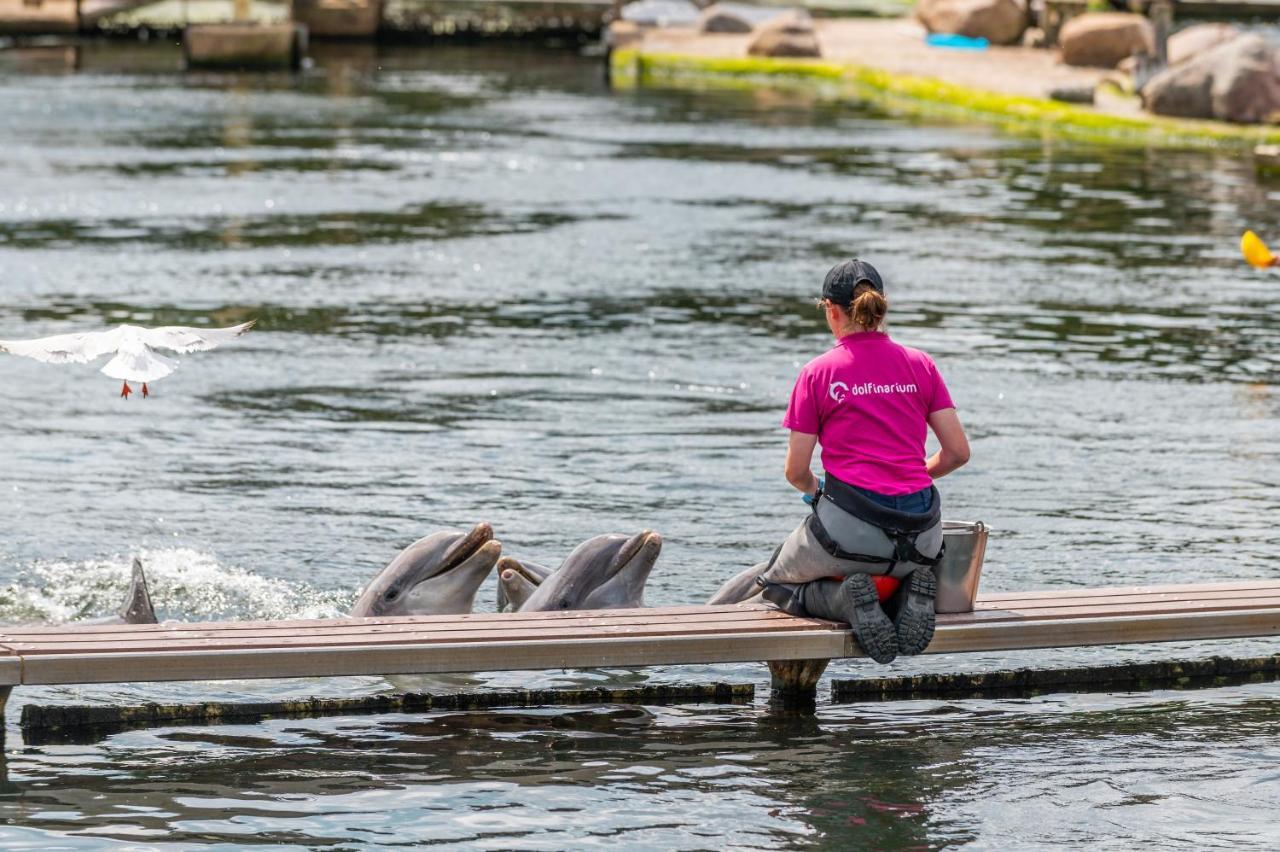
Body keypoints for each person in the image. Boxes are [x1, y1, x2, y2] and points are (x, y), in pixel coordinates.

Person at [757, 259, 970, 664]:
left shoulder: (818, 373)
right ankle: (909, 593)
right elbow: (958, 452)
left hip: (850, 531)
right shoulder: (921, 364)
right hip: (923, 537)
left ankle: (846, 601)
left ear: (831, 311)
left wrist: (815, 490)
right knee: (895, 569)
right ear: (880, 308)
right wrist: (911, 474)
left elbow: (795, 471)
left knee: (775, 585)